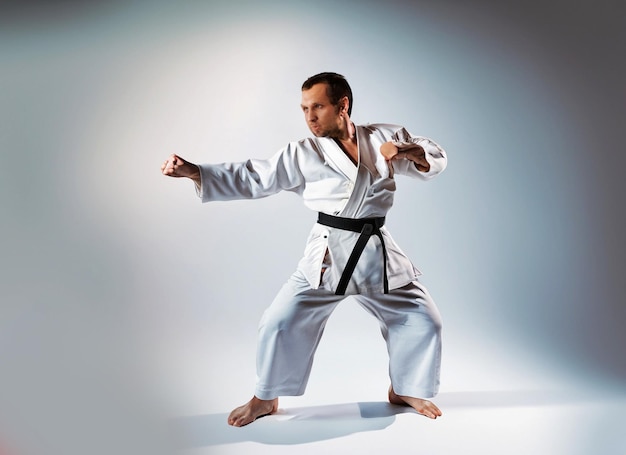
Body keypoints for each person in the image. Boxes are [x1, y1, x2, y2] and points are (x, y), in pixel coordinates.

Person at [161, 72, 447, 427]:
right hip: (328, 254)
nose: (309, 117)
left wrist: (407, 151)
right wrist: (195, 172)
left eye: (318, 107)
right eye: (304, 108)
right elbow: (256, 176)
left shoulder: (384, 137)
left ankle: (405, 388)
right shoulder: (303, 153)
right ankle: (265, 398)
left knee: (423, 320)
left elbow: (432, 157)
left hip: (376, 250)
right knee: (280, 322)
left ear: (342, 106)